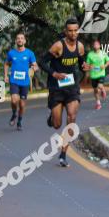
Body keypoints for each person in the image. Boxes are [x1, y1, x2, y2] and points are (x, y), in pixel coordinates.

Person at [38, 18, 85, 167]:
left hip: (72, 87)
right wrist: (54, 74)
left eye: (75, 30)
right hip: (56, 87)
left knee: (72, 116)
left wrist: (85, 67)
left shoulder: (80, 47)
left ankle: (63, 154)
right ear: (66, 31)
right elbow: (42, 62)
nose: (73, 33)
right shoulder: (58, 46)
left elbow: (81, 64)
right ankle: (52, 116)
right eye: (70, 30)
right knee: (57, 125)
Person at [4, 32, 37, 131]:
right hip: (14, 80)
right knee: (14, 100)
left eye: (22, 38)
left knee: (22, 105)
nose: (20, 40)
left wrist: (34, 68)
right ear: (16, 41)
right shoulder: (11, 53)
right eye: (18, 38)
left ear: (25, 41)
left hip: (25, 82)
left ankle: (19, 121)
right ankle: (14, 113)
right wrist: (5, 75)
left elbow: (35, 65)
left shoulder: (30, 53)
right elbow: (6, 64)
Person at [85, 39, 109, 110]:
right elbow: (87, 64)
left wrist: (105, 66)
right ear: (93, 46)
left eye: (97, 44)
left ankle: (103, 89)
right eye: (94, 44)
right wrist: (89, 66)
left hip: (101, 73)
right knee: (96, 90)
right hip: (93, 74)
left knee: (100, 86)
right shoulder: (90, 54)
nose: (95, 46)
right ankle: (98, 103)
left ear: (99, 46)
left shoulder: (103, 53)